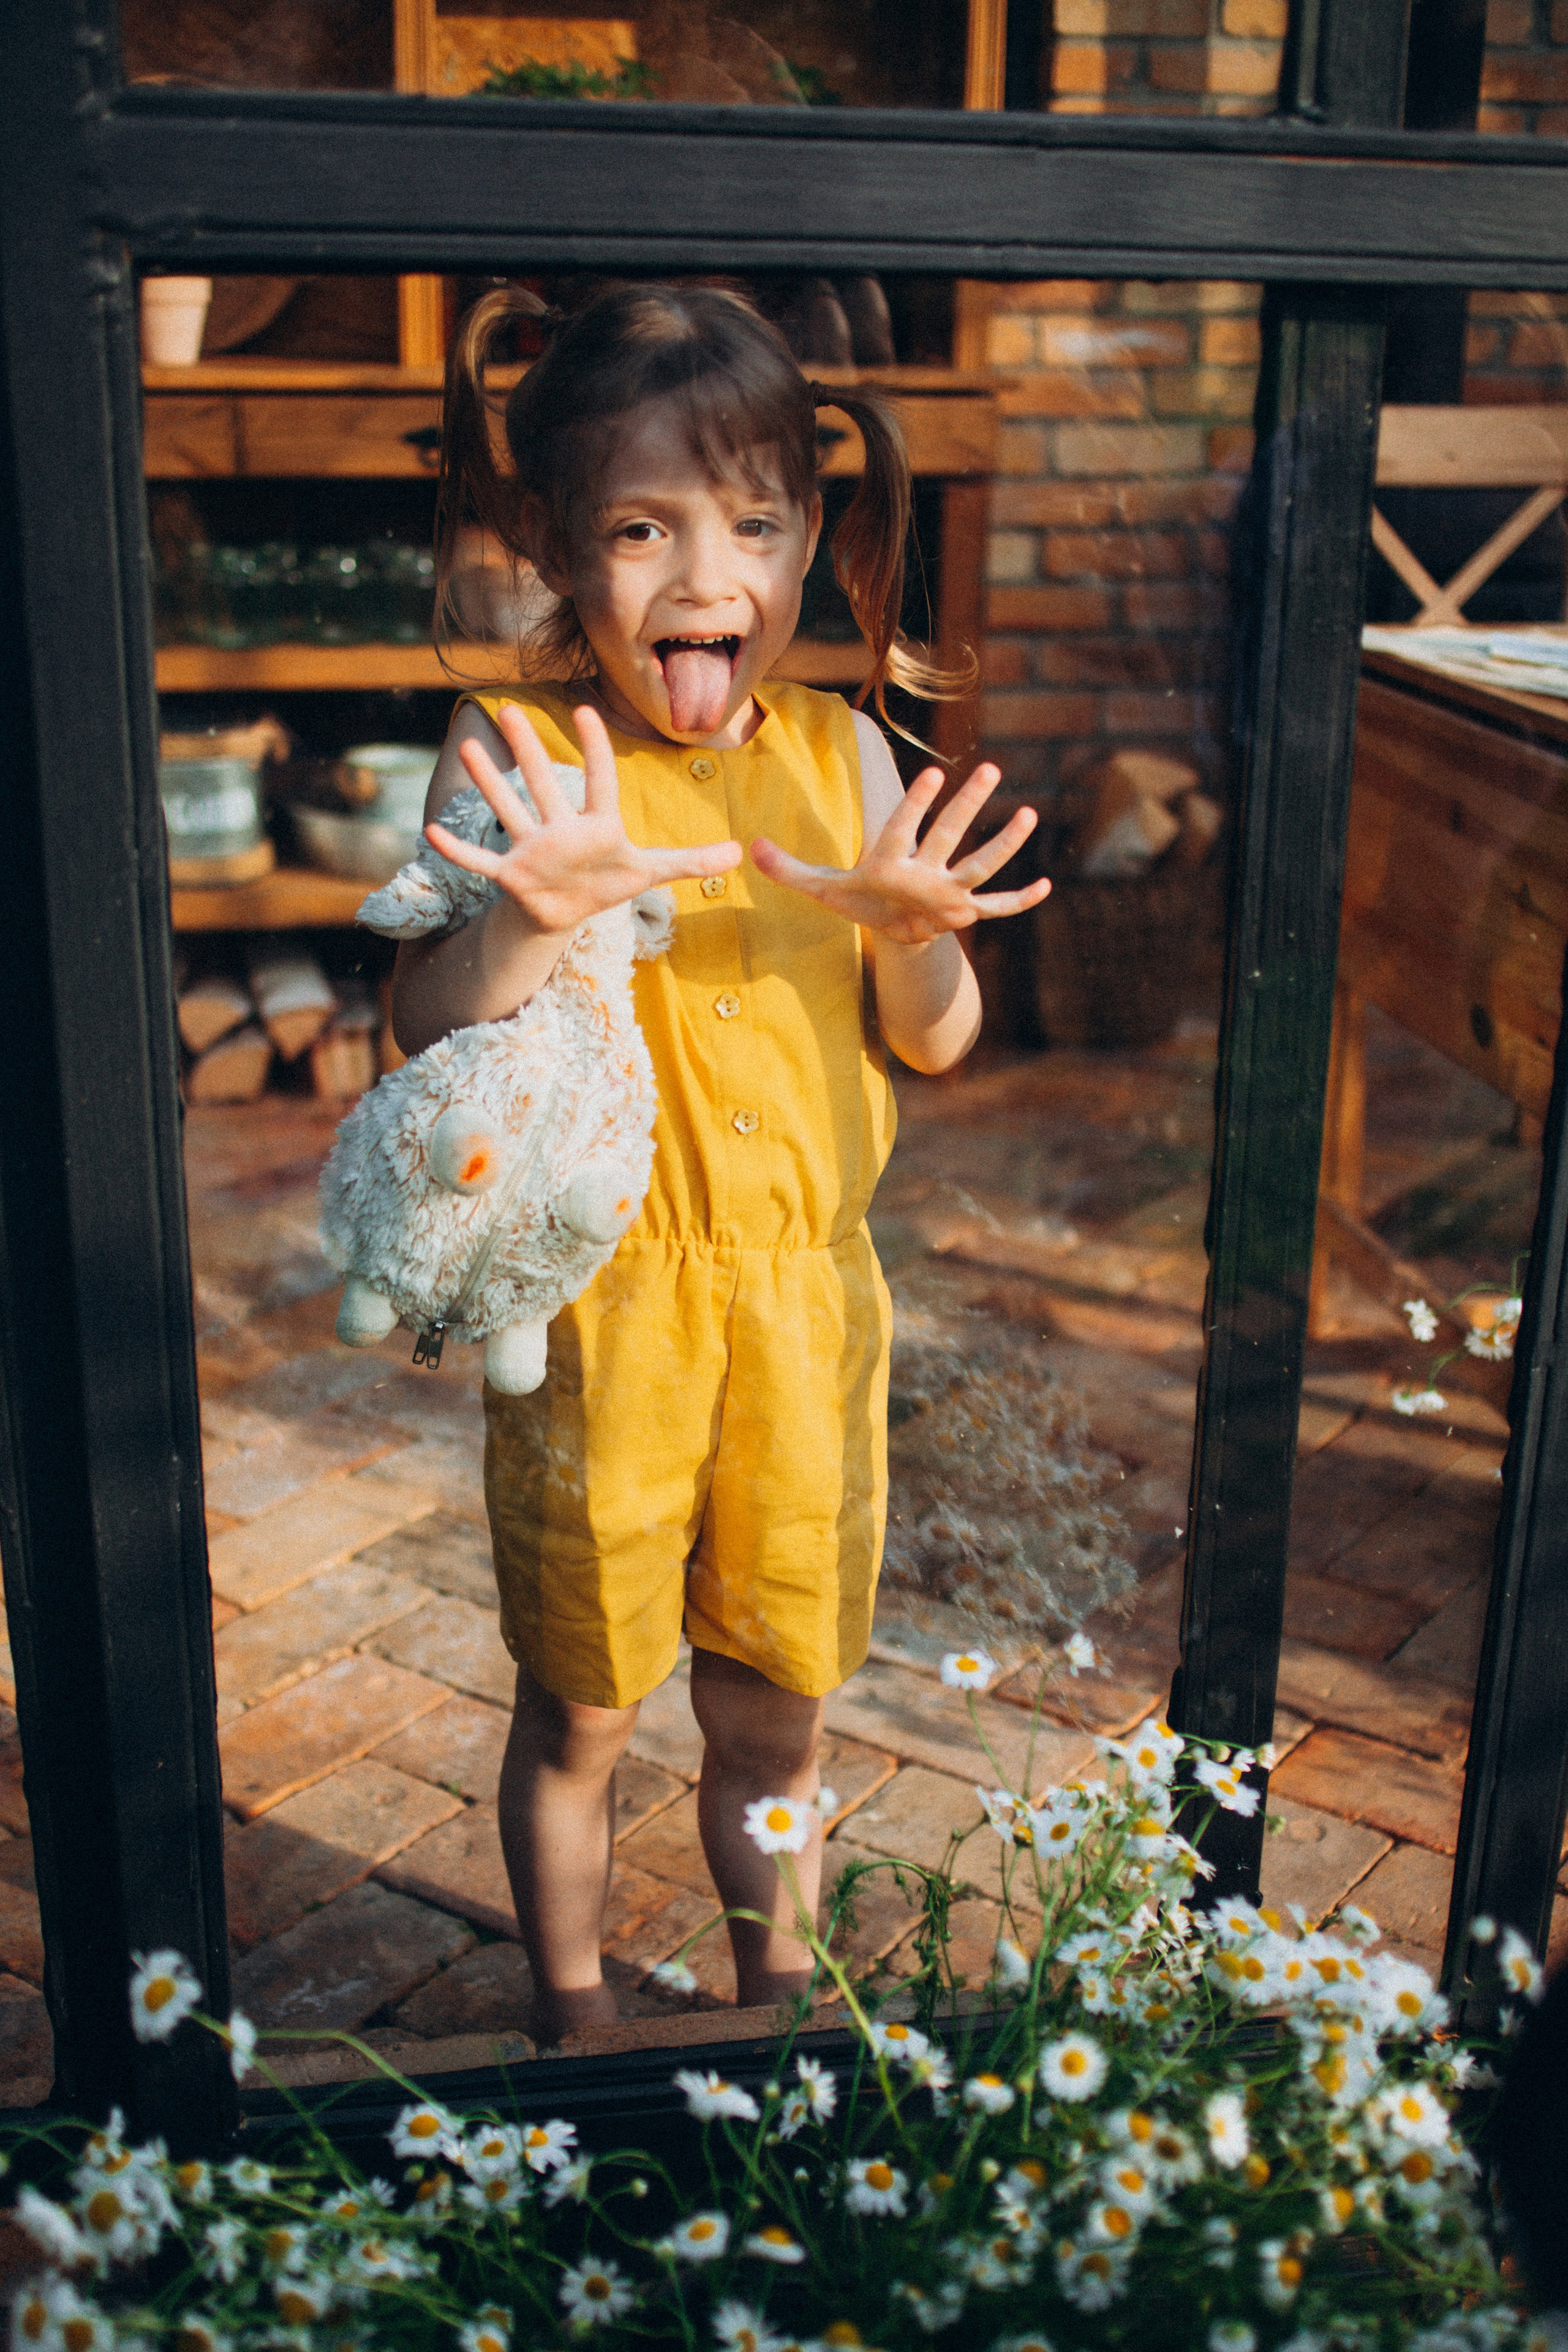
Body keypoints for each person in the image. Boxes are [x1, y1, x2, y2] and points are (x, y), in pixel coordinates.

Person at [393, 281, 1049, 2042]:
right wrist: (522, 917)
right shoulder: (524, 762)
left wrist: (916, 930)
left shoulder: (845, 762)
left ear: (811, 537)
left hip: (806, 1326)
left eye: (753, 523)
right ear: (547, 539)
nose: (706, 579)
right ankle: (577, 2013)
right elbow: (424, 1022)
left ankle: (778, 2004)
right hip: (607, 1322)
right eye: (641, 527)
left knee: (776, 1712)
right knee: (587, 1707)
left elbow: (937, 1037)